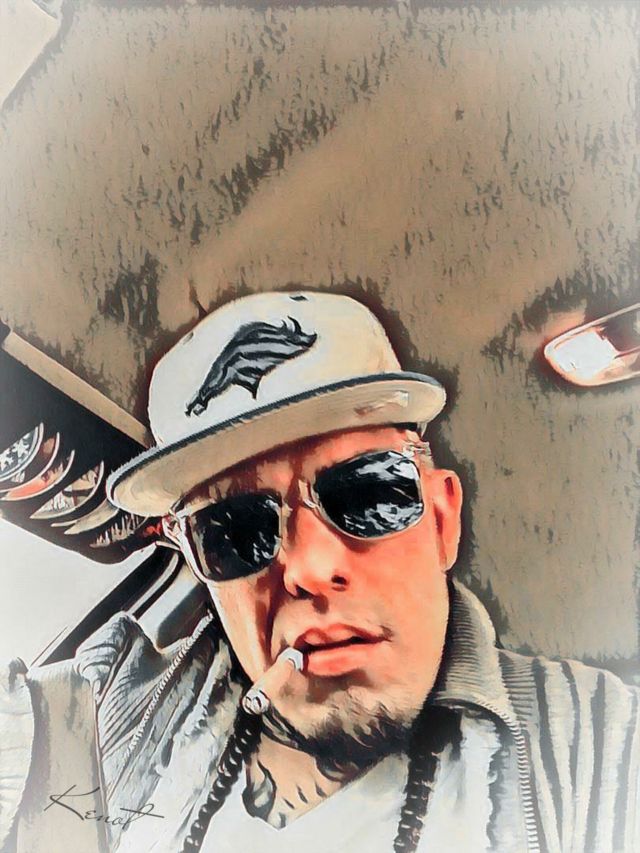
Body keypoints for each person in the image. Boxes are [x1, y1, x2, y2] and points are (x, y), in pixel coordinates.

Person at [0, 291, 637, 853]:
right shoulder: (110, 705)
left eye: (370, 494)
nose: (310, 567)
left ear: (443, 520)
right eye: (236, 530)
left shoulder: (597, 740)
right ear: (200, 565)